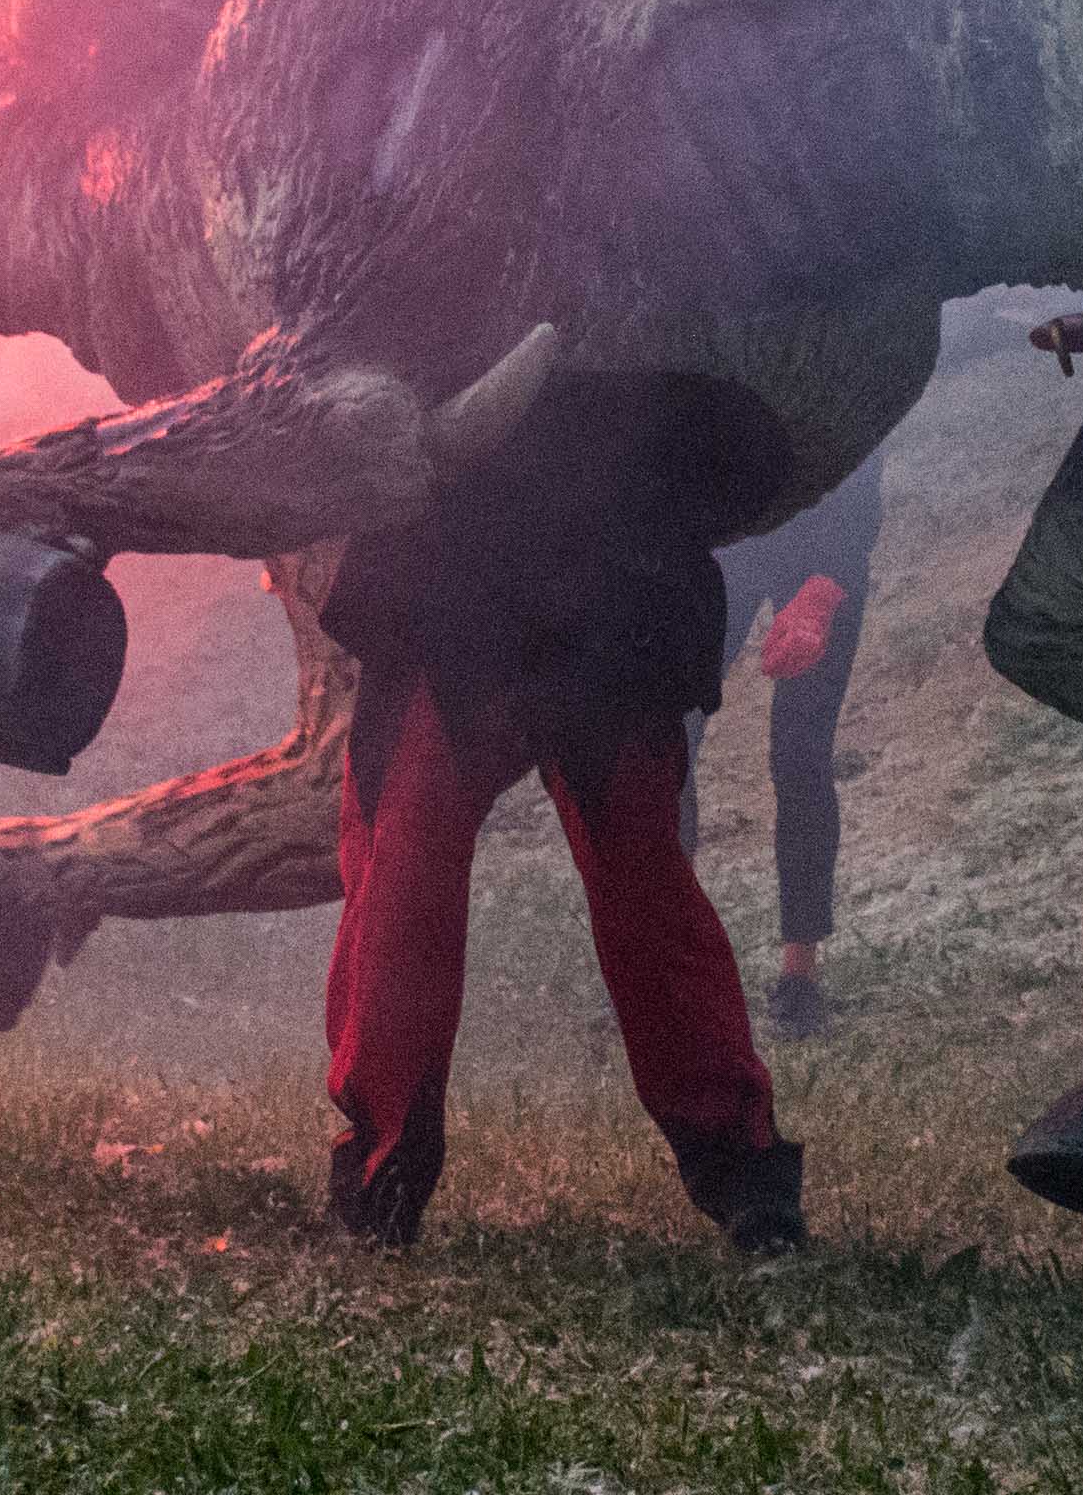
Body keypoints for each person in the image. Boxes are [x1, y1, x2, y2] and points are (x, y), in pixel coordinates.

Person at [311, 363, 809, 1254]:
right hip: (500, 578)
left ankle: (742, 1171)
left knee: (617, 877)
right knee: (409, 869)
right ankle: (384, 1176)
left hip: (586, 577)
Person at [711, 447, 883, 1038]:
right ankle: (654, 953)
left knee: (801, 754)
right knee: (666, 736)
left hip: (822, 540)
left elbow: (864, 451)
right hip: (729, 536)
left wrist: (828, 583)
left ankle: (800, 977)